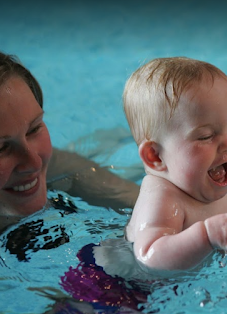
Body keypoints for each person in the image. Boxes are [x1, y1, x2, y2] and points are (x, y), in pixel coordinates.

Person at [114, 56, 227, 272]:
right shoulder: (162, 199)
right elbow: (149, 256)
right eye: (206, 136)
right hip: (126, 290)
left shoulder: (203, 180)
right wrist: (207, 235)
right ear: (156, 156)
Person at [0, 51, 140, 232]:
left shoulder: (55, 168)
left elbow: (145, 204)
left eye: (34, 129)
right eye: (2, 148)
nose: (34, 163)